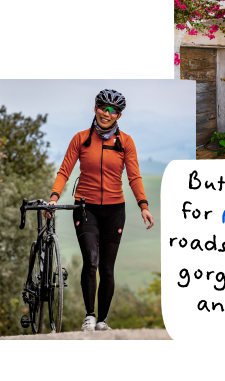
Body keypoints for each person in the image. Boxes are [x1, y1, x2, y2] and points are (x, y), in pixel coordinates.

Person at [44, 89, 154, 332]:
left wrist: (143, 206)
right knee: (91, 261)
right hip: (86, 208)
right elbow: (64, 171)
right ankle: (90, 316)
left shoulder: (125, 142)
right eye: (103, 107)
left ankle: (103, 320)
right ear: (95, 108)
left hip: (115, 210)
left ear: (119, 115)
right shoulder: (81, 139)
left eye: (112, 110)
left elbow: (134, 176)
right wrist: (53, 198)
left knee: (107, 267)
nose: (107, 113)